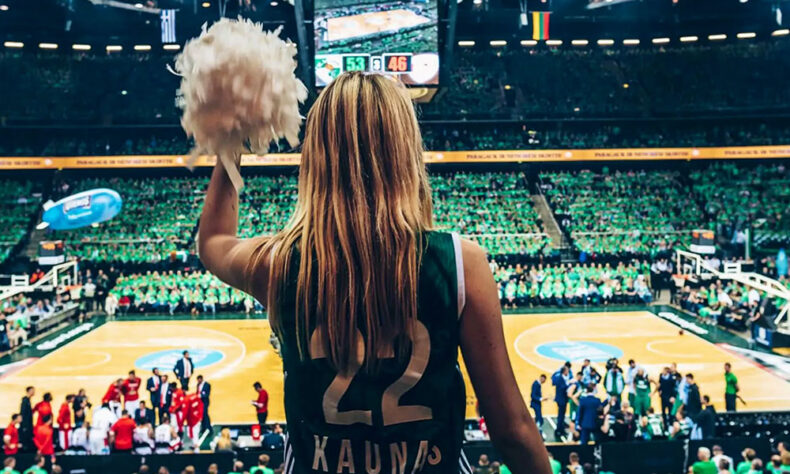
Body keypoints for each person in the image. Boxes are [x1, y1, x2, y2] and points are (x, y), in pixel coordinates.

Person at [196, 72, 550, 472]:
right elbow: (512, 432)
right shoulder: (461, 262)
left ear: (316, 156)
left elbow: (212, 242)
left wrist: (233, 139)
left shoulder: (277, 262)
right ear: (406, 150)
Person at [552, 365, 570, 438]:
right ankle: (558, 430)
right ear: (564, 371)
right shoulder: (560, 378)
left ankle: (561, 429)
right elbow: (562, 388)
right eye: (567, 370)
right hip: (561, 400)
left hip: (563, 399)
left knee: (562, 415)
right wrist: (569, 384)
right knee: (561, 416)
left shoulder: (563, 378)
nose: (568, 372)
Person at [19, 387, 34, 453]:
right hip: (26, 426)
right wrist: (24, 426)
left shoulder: (27, 400)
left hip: (27, 425)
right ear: (29, 391)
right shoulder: (25, 401)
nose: (34, 392)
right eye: (32, 391)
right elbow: (23, 413)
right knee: (26, 441)